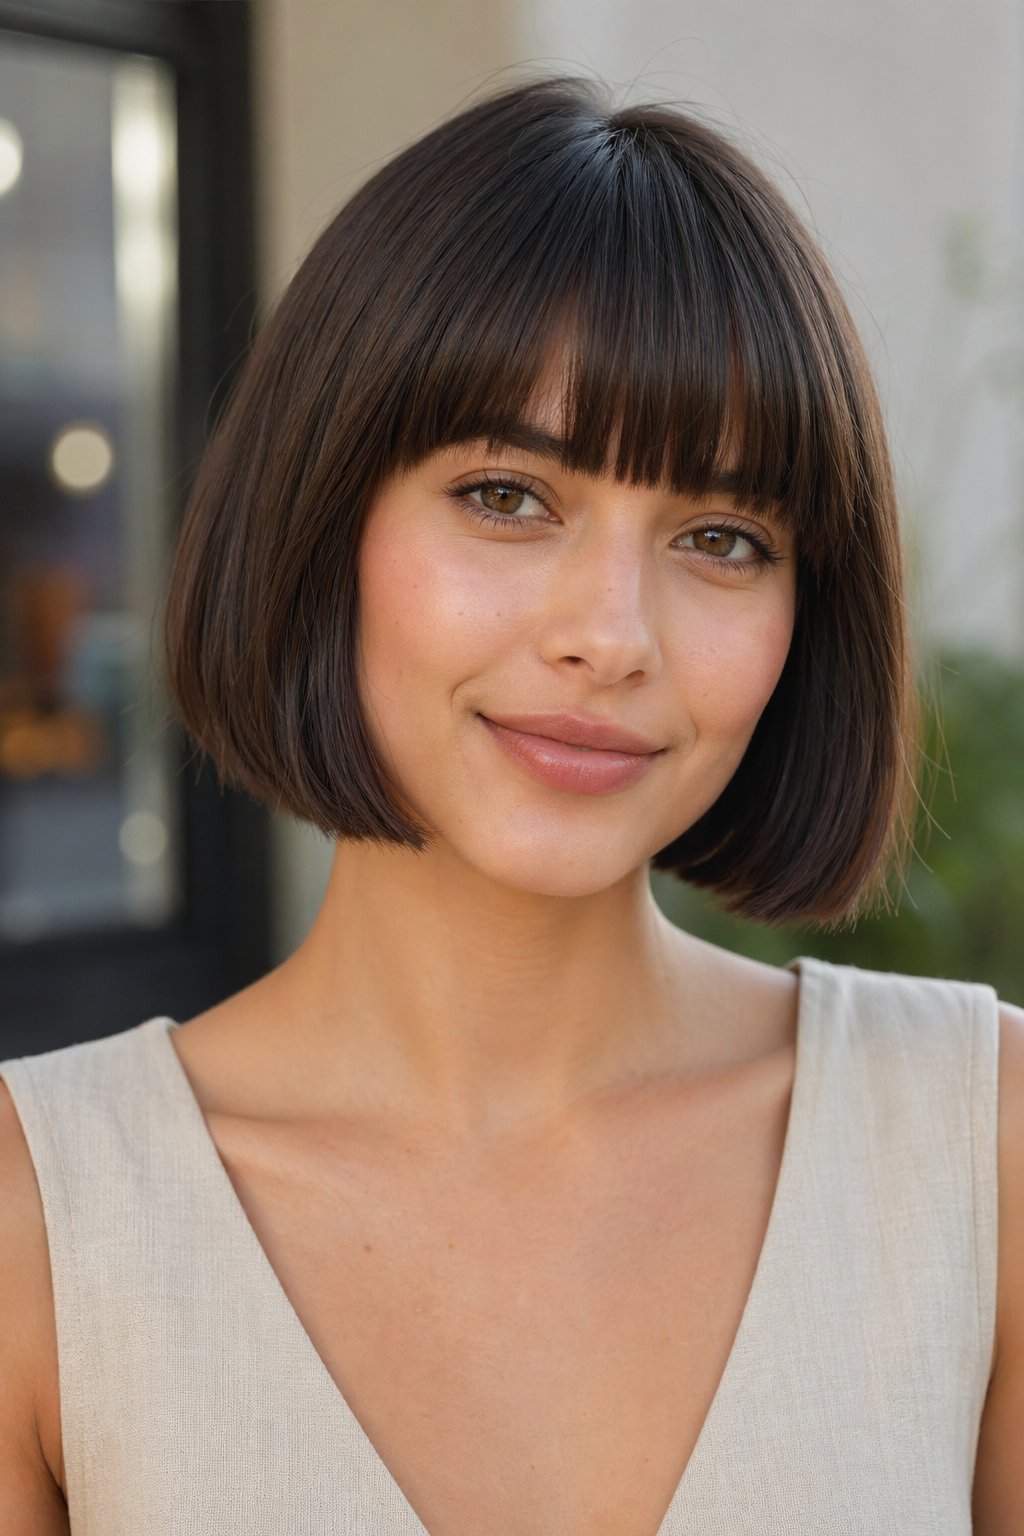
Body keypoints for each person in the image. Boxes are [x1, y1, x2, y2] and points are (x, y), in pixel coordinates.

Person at [0, 72, 1021, 1535]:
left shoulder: (981, 1149)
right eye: (506, 496)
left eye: (722, 537)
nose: (613, 633)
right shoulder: (39, 1220)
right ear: (319, 514)